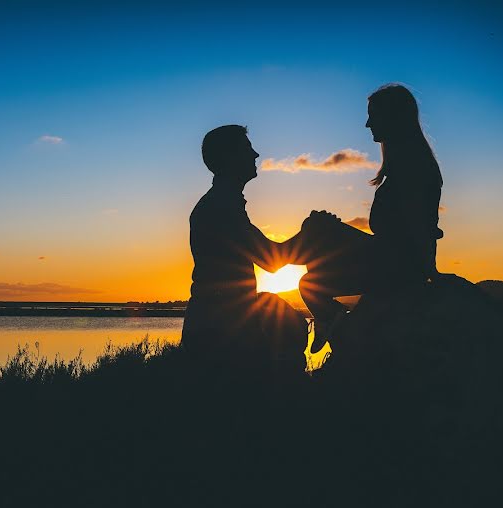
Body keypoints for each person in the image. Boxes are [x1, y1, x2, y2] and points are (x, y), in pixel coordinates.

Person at [300, 84, 444, 353]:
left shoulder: (412, 168)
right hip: (391, 258)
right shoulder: (406, 165)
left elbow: (419, 227)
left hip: (398, 266)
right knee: (320, 232)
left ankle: (335, 324)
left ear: (393, 118)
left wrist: (429, 272)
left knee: (310, 275)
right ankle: (329, 320)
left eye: (373, 115)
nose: (367, 124)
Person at [181, 125, 309, 370]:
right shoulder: (222, 207)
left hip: (216, 325)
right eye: (248, 148)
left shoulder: (222, 203)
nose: (256, 155)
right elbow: (271, 260)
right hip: (219, 332)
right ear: (231, 158)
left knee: (289, 322)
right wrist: (313, 233)